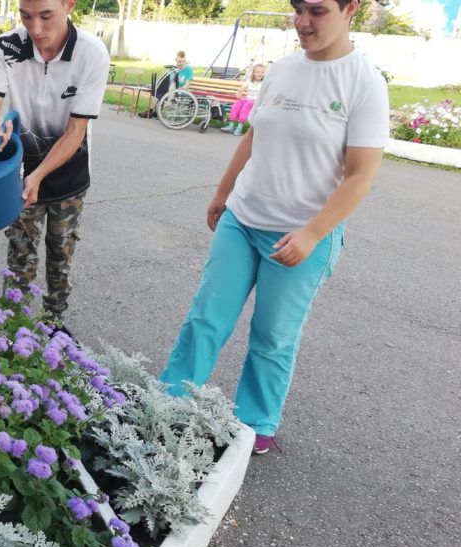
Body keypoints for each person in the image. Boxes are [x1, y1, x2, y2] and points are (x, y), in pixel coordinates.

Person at [158, 0, 389, 455]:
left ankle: (252, 424)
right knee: (207, 318)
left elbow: (361, 174)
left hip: (303, 235)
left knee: (272, 336)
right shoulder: (282, 69)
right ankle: (169, 401)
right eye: (298, 9)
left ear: (351, 10)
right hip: (243, 220)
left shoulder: (364, 82)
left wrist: (311, 233)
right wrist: (223, 192)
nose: (303, 22)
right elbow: (253, 136)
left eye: (317, 11)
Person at [0, 0, 110, 330]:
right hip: (18, 174)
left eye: (46, 16)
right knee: (20, 253)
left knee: (60, 254)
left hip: (69, 174)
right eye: (26, 16)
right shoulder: (7, 45)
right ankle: (12, 328)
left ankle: (53, 324)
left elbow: (76, 131)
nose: (35, 29)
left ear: (69, 5)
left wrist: (38, 176)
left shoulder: (91, 53)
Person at [139, 50, 193, 118]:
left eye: (183, 61)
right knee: (156, 91)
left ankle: (152, 112)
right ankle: (152, 111)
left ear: (185, 60)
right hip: (171, 88)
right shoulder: (174, 69)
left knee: (163, 91)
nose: (181, 63)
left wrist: (180, 90)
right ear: (176, 60)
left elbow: (187, 84)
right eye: (179, 61)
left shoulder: (189, 69)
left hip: (181, 90)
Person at [220, 63, 266, 136]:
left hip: (256, 101)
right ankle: (231, 126)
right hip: (248, 98)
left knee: (247, 105)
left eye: (262, 72)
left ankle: (239, 127)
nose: (260, 74)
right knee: (237, 104)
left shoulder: (264, 82)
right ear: (254, 73)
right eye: (258, 72)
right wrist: (238, 93)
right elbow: (241, 90)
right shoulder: (249, 81)